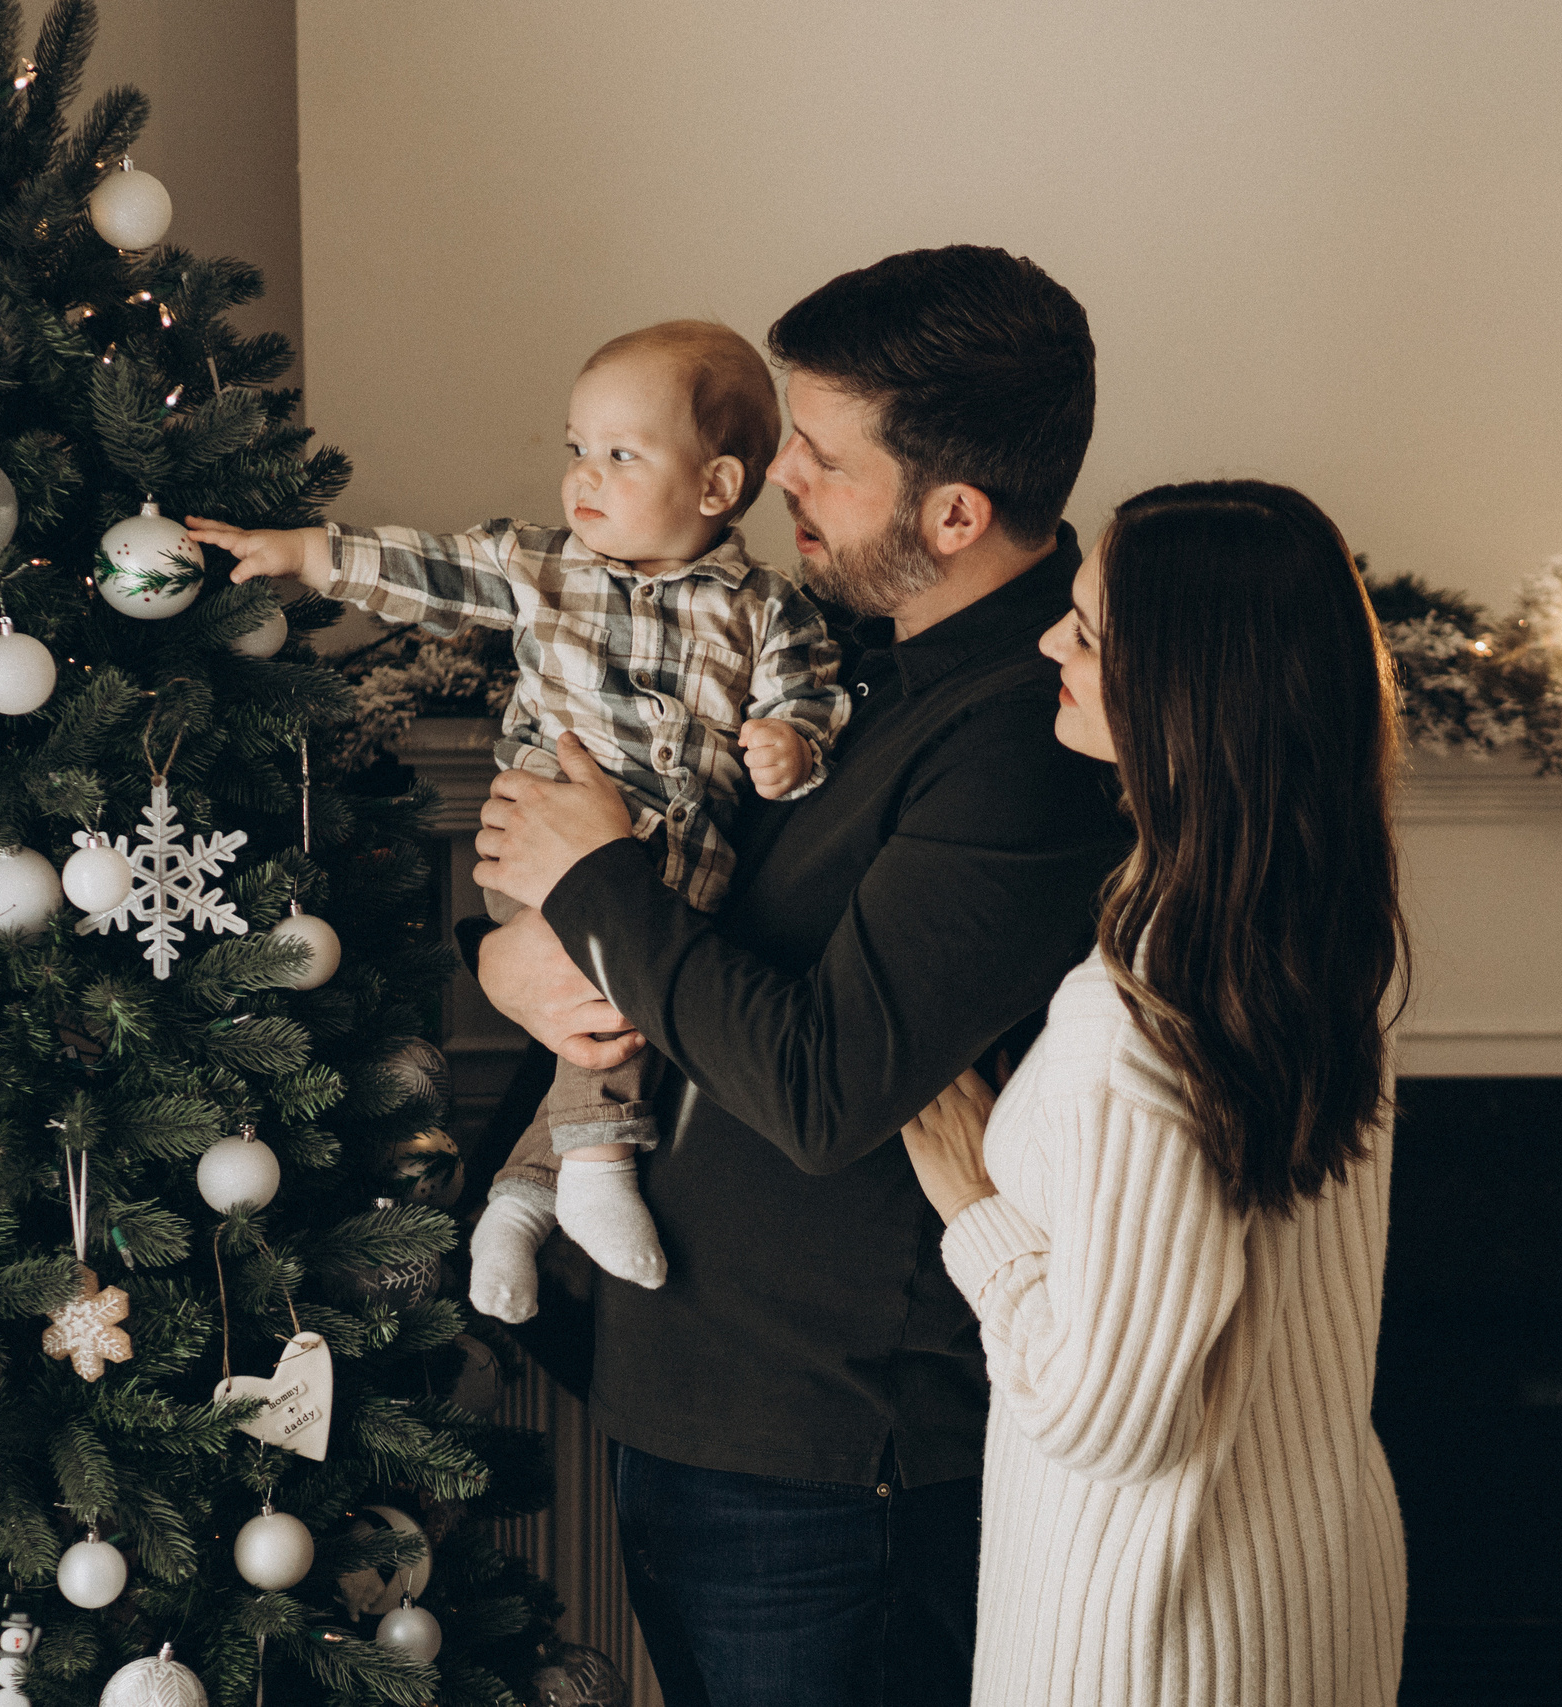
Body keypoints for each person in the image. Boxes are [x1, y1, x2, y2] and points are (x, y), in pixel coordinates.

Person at [467, 246, 1128, 1706]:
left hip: (832, 1461)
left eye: (824, 457)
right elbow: (680, 907)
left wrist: (589, 885)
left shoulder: (1032, 737)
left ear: (952, 512)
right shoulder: (833, 653)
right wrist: (513, 956)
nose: (778, 478)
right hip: (691, 1390)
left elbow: (827, 1085)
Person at [187, 320, 848, 1300]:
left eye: (620, 454)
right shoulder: (544, 566)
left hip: (676, 870)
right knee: (613, 996)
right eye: (577, 446)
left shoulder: (767, 607)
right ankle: (595, 1167)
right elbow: (428, 570)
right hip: (539, 854)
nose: (583, 475)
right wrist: (304, 552)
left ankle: (520, 1200)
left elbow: (808, 697)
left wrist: (789, 745)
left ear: (715, 486)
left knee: (623, 1015)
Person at [898, 480, 1411, 1705]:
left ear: (1182, 692)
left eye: (1085, 632)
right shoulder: (1317, 954)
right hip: (1304, 1601)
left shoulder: (1136, 1014)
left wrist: (974, 1211)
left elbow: (1112, 1422)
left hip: (1146, 1643)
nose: (1048, 645)